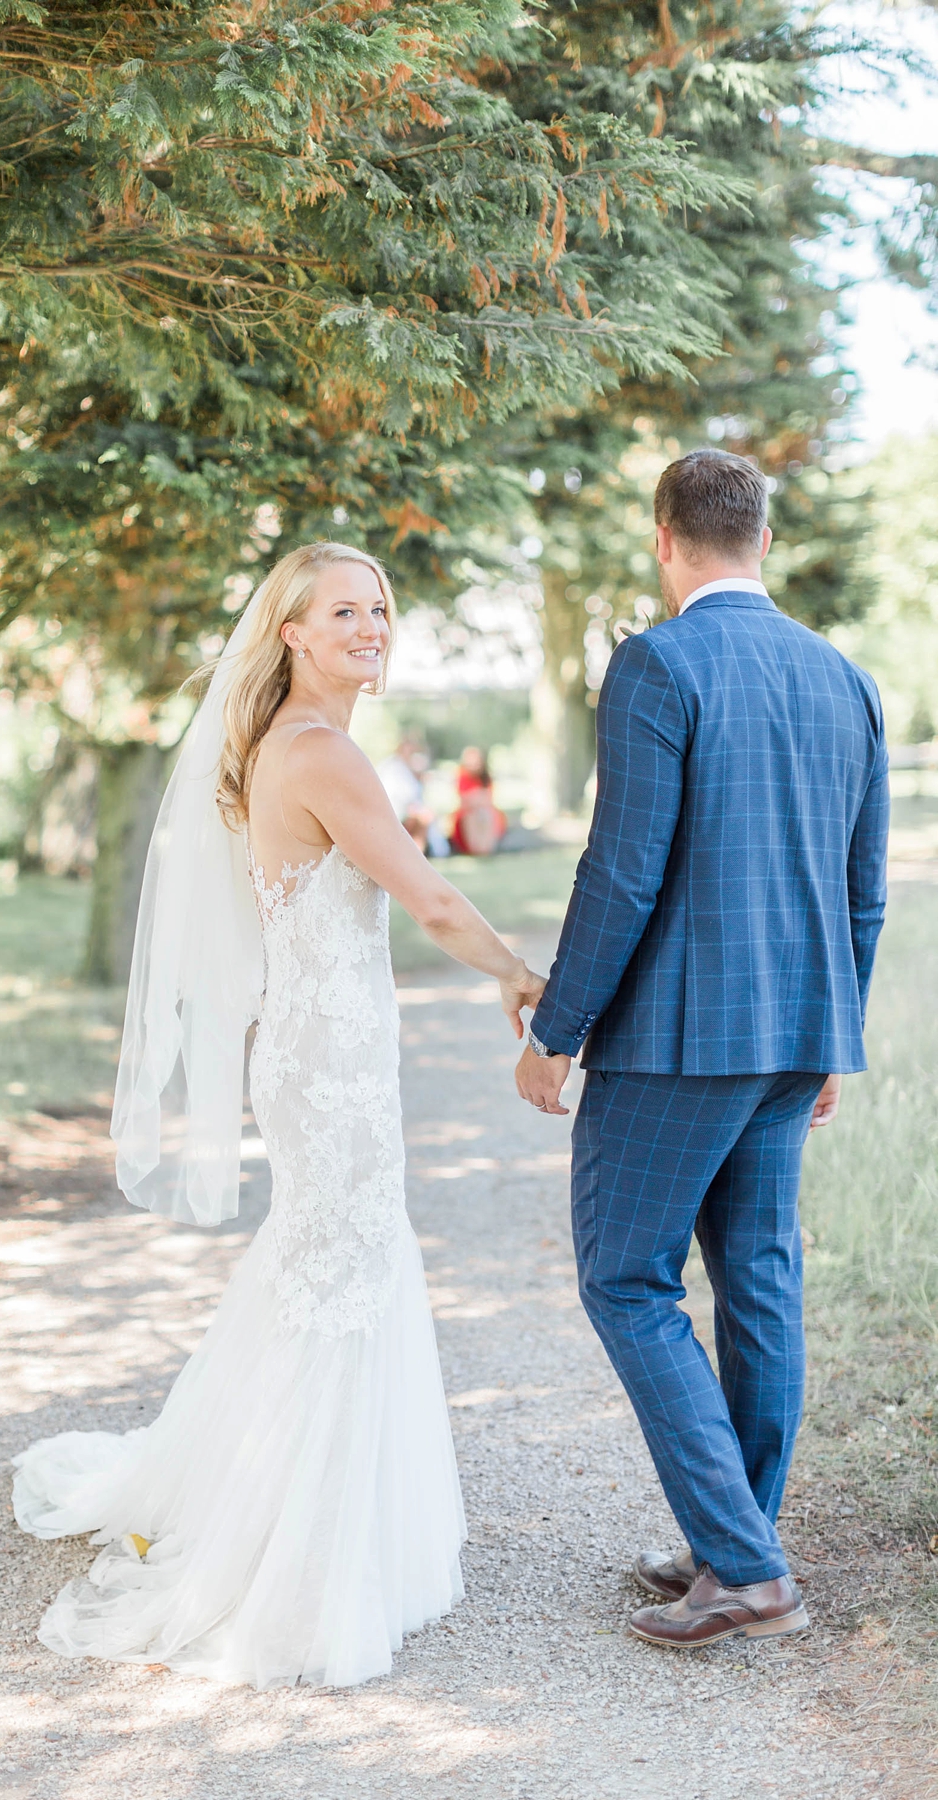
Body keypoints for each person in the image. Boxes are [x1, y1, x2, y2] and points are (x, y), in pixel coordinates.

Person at [13, 542, 545, 1688]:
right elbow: (433, 897)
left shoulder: (294, 744)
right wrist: (515, 971)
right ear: (293, 633)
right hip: (330, 1061)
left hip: (320, 1052)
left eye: (381, 608)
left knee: (324, 1267)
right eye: (344, 610)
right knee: (340, 1271)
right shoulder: (319, 753)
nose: (371, 625)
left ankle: (273, 1498)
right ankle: (307, 1548)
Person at [515, 449, 889, 1649]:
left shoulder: (658, 661)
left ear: (664, 540)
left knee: (626, 1277)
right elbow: (864, 893)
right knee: (758, 1285)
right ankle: (737, 1537)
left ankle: (746, 1565)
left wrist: (553, 1031)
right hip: (796, 1037)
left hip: (681, 1042)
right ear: (763, 542)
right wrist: (837, 1031)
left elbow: (620, 874)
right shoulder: (848, 679)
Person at [448, 745, 508, 856]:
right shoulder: (462, 776)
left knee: (487, 814)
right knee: (472, 816)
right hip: (468, 815)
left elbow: (488, 799)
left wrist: (476, 798)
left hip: (483, 813)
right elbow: (465, 801)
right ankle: (475, 848)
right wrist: (478, 798)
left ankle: (486, 848)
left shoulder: (485, 778)